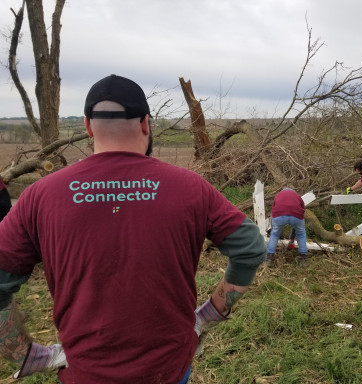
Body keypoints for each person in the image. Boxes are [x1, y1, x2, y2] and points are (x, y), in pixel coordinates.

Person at [0, 74, 266, 383]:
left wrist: (23, 354)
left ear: (87, 127)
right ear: (145, 123)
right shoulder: (190, 188)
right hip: (168, 371)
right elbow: (251, 247)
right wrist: (212, 313)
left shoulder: (40, 196)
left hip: (85, 375)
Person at [265, 188, 308, 266]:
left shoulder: (278, 195)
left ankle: (269, 259)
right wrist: (292, 238)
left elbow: (273, 209)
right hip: (296, 215)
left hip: (279, 215)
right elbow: (302, 208)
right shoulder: (297, 196)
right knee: (301, 234)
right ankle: (303, 259)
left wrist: (274, 228)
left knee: (274, 234)